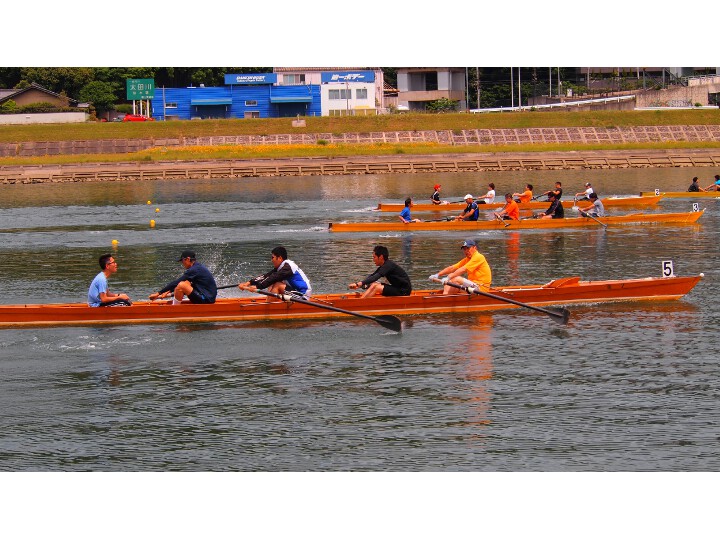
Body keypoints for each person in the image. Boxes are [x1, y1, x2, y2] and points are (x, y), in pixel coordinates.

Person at [240, 245, 312, 298]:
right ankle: (269, 302)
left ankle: (269, 307)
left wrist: (257, 287)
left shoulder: (288, 267)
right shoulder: (282, 267)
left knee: (277, 284)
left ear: (279, 258)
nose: (271, 260)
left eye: (273, 257)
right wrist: (248, 283)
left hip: (302, 295)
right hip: (295, 292)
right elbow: (266, 276)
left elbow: (274, 277)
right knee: (272, 282)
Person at [149, 249, 217, 305]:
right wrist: (168, 291)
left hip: (206, 299)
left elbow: (177, 282)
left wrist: (158, 293)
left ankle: (174, 309)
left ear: (188, 259)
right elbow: (185, 283)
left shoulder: (194, 269)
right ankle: (176, 305)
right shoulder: (197, 267)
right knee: (185, 283)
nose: (182, 263)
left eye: (182, 261)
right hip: (207, 297)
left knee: (181, 285)